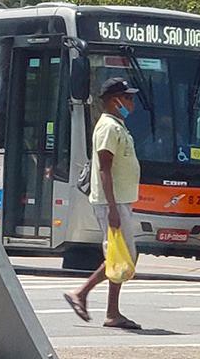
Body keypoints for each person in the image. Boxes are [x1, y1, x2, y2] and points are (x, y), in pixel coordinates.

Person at [65, 77, 142, 330]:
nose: (131, 102)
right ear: (113, 100)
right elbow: (104, 169)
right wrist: (111, 208)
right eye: (127, 98)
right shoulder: (108, 127)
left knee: (120, 255)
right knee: (122, 256)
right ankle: (88, 297)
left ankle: (106, 308)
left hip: (120, 200)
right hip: (113, 202)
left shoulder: (117, 125)